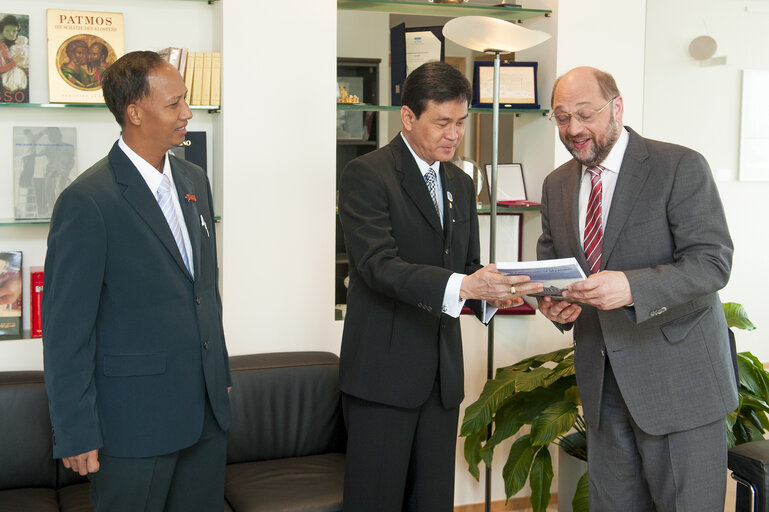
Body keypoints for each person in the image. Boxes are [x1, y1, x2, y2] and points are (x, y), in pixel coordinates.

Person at [337, 60, 543, 512]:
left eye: (462, 122)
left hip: (441, 379)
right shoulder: (367, 174)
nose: (454, 134)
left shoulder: (461, 183)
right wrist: (467, 285)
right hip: (383, 377)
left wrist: (494, 291)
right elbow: (377, 265)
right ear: (408, 118)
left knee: (432, 502)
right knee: (376, 502)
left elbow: (465, 267)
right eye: (442, 122)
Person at [537, 66, 737, 511]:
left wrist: (631, 287)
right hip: (603, 385)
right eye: (562, 117)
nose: (573, 129)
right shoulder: (556, 184)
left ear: (618, 107)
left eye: (585, 114)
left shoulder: (678, 166)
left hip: (679, 384)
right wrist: (552, 302)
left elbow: (712, 262)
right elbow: (554, 264)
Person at [43, 50, 231, 512]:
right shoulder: (87, 201)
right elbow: (67, 331)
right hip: (133, 426)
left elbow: (206, 292)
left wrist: (221, 378)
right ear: (134, 113)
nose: (188, 113)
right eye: (174, 104)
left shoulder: (195, 181)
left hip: (205, 419)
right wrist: (75, 430)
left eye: (186, 100)